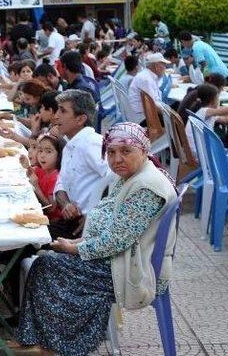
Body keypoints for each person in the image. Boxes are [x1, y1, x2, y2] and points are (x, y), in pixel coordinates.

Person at [14, 122, 177, 355]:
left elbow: (117, 240)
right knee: (47, 263)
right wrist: (77, 243)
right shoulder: (132, 176)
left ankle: (59, 344)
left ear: (143, 150)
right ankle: (40, 340)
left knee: (48, 266)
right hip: (122, 258)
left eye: (126, 151)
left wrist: (74, 249)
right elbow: (115, 231)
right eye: (111, 152)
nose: (117, 158)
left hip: (134, 270)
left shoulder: (146, 187)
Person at [53, 90, 110, 237]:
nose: (56, 116)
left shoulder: (93, 143)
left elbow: (118, 180)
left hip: (87, 229)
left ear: (80, 119)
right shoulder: (69, 146)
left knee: (25, 245)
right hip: (72, 222)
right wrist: (65, 204)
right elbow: (60, 184)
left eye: (63, 111)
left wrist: (94, 216)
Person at [184, 84, 228, 158]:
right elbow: (226, 110)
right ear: (212, 100)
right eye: (218, 97)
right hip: (201, 153)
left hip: (198, 149)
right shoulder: (204, 111)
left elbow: (226, 120)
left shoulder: (204, 112)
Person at [27, 133, 65, 234]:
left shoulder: (55, 177)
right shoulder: (43, 170)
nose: (42, 155)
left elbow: (51, 208)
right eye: (40, 151)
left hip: (52, 223)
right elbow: (31, 172)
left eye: (48, 151)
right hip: (40, 213)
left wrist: (36, 187)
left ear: (59, 155)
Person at [128, 52, 169, 122]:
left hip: (144, 114)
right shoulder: (146, 79)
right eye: (164, 65)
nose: (165, 68)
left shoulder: (148, 76)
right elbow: (153, 106)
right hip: (143, 118)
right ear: (156, 66)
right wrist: (170, 114)